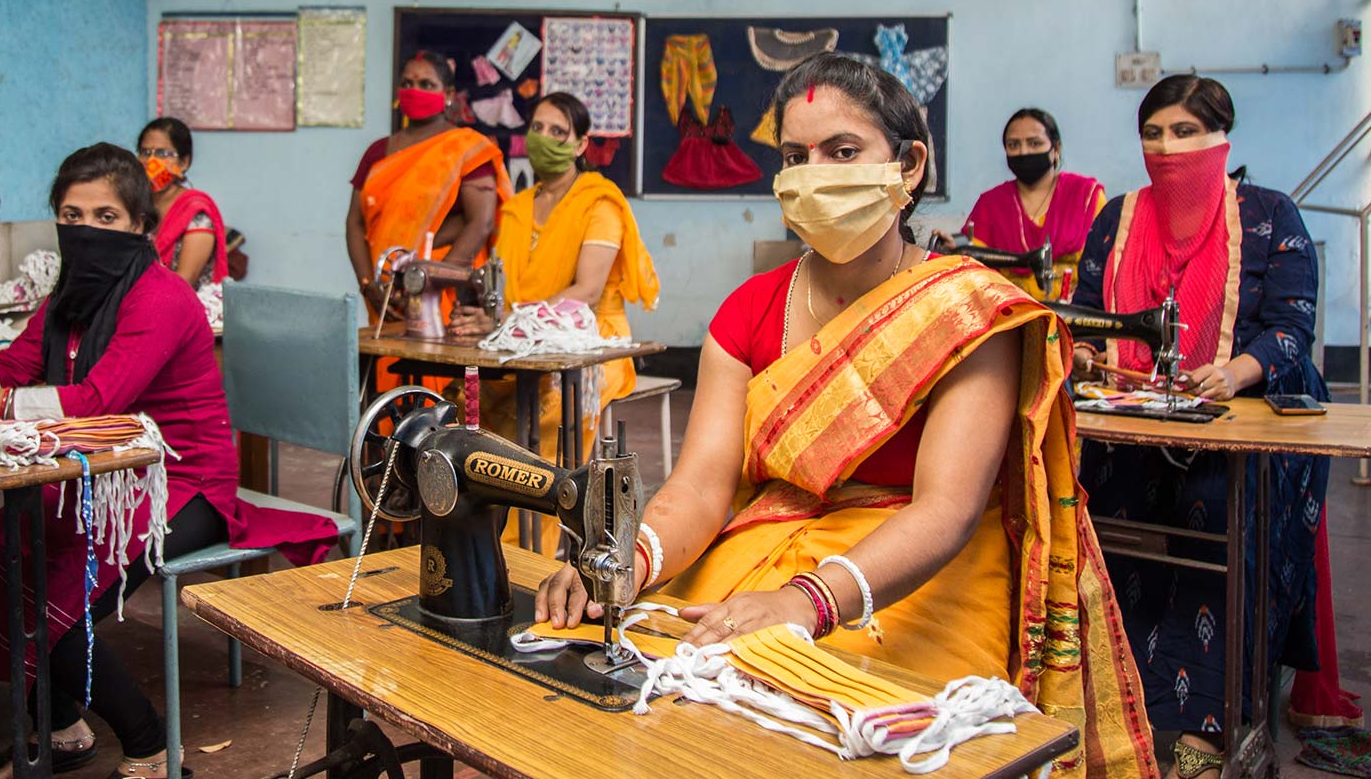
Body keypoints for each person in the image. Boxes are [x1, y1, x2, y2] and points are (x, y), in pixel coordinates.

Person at [534, 54, 1156, 779]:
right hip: (766, 543)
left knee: (857, 742)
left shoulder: (966, 311)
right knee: (660, 707)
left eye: (843, 151)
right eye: (795, 156)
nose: (815, 173)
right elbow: (702, 486)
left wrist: (810, 602)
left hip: (913, 574)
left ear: (909, 165)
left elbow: (947, 511)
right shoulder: (749, 310)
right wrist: (626, 562)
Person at [0, 144, 337, 779]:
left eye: (106, 218)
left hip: (181, 481)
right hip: (97, 474)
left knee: (54, 600)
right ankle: (63, 726)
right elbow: (17, 363)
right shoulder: (71, 294)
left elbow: (99, 400)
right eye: (72, 216)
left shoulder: (161, 297)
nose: (87, 231)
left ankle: (152, 748)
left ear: (140, 228)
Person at [1071, 75, 1340, 777]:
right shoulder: (1117, 219)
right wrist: (1090, 354)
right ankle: (1110, 702)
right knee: (1101, 529)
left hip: (1239, 422)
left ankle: (1208, 722)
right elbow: (1088, 311)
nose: (1167, 147)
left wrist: (1236, 370)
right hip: (1139, 415)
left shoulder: (1269, 215)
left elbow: (1292, 328)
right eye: (1154, 133)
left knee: (1216, 538)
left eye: (1185, 131)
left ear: (1222, 136)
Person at [448, 93, 658, 541]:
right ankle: (466, 534)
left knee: (542, 421)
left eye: (558, 131)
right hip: (520, 338)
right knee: (461, 405)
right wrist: (487, 318)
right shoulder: (517, 207)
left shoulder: (600, 203)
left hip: (587, 342)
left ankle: (524, 554)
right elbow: (500, 290)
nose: (544, 138)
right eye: (538, 128)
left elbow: (586, 292)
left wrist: (507, 321)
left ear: (581, 144)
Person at [344, 51, 512, 323]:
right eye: (407, 83)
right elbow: (355, 223)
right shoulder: (378, 152)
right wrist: (369, 285)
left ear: (448, 94)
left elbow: (481, 223)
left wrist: (427, 284)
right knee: (388, 362)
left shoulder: (467, 149)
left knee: (444, 362)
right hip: (386, 293)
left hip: (445, 294)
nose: (414, 90)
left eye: (426, 85)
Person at [957, 107, 1105, 301]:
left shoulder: (1085, 196)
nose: (1023, 152)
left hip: (1075, 311)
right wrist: (953, 248)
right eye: (1013, 145)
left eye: (1034, 143)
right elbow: (972, 264)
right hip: (1009, 315)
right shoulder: (991, 204)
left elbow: (1104, 263)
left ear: (1056, 149)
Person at [136, 117, 227, 289]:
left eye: (163, 154)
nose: (151, 162)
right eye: (145, 152)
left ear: (184, 162)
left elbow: (184, 282)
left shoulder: (196, 212)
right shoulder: (135, 205)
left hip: (185, 304)